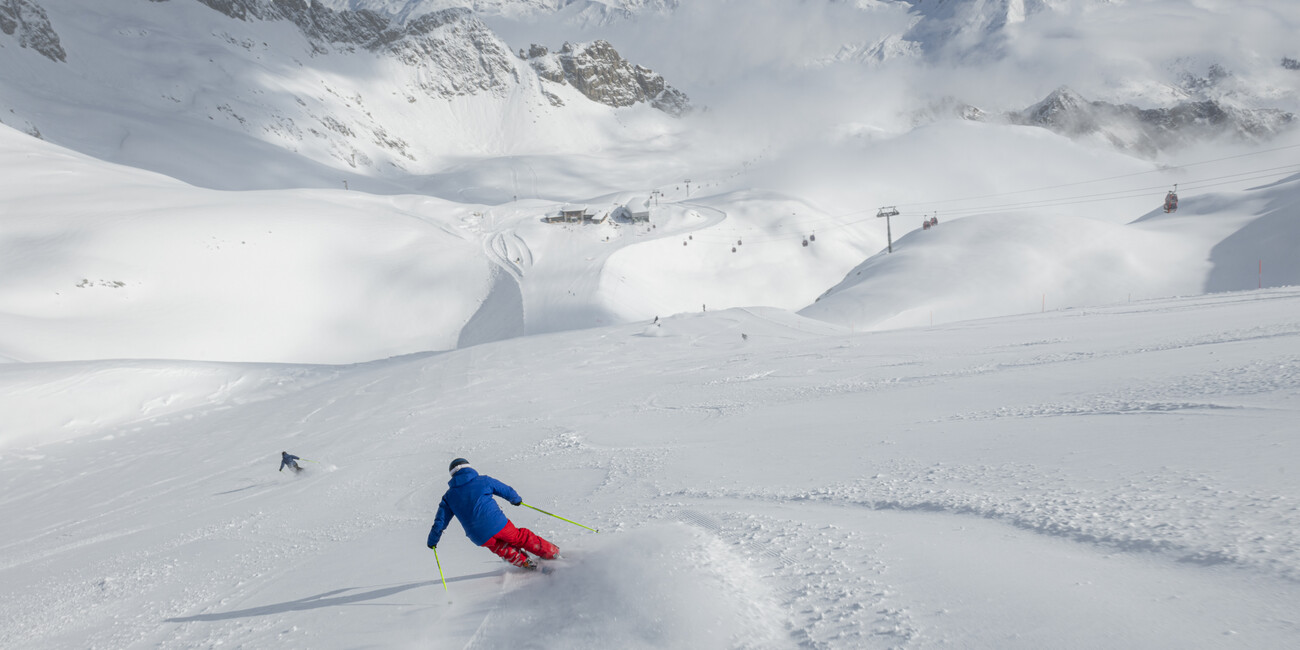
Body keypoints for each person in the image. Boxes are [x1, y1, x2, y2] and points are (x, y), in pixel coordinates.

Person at [427, 458, 559, 570]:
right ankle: (551, 553)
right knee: (520, 537)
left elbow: (440, 522)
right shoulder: (483, 480)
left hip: (478, 536)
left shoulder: (449, 496)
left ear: (453, 475)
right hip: (498, 523)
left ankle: (525, 562)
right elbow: (504, 489)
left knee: (500, 547)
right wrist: (516, 499)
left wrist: (433, 541)